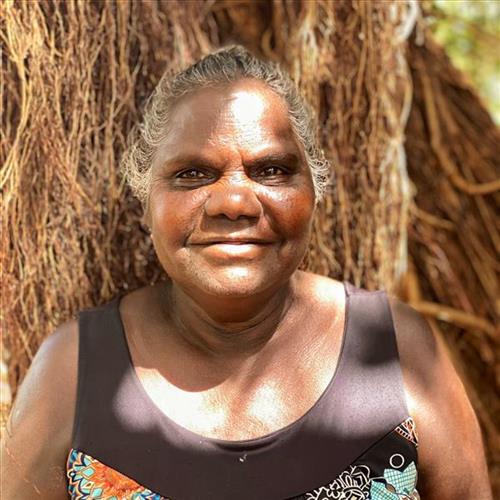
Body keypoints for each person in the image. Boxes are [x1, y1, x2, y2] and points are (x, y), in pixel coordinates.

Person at [1, 45, 492, 500]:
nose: (234, 202)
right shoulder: (75, 369)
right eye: (193, 174)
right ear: (146, 202)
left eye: (270, 170)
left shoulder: (395, 349)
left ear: (314, 192)